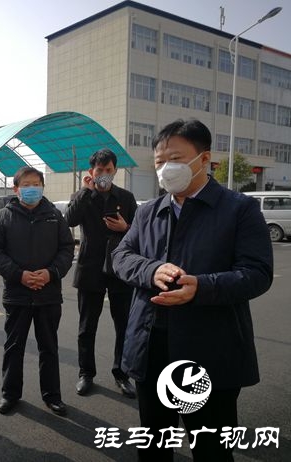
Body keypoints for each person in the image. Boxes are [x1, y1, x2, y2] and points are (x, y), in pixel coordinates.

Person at [112, 119, 273, 461]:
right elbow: (121, 257)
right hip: (151, 346)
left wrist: (201, 286)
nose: (165, 168)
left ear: (205, 159)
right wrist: (151, 270)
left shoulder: (238, 209)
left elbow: (257, 273)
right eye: (159, 162)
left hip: (210, 350)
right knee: (154, 444)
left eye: (175, 158)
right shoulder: (148, 211)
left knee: (211, 448)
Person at [0, 167, 74, 416]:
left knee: (49, 347)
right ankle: (10, 394)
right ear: (16, 188)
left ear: (43, 187)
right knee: (14, 346)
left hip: (48, 294)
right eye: (26, 184)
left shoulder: (55, 215)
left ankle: (52, 396)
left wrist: (51, 273)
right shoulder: (4, 216)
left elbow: (67, 249)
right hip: (17, 294)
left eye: (36, 184)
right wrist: (19, 275)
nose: (32, 188)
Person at [64, 148, 137, 398]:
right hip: (90, 268)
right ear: (91, 172)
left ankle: (122, 374)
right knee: (87, 327)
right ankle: (86, 373)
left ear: (115, 171)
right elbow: (69, 220)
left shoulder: (126, 198)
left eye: (108, 170)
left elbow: (140, 233)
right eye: (99, 170)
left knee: (124, 325)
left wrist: (125, 227)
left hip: (120, 269)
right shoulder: (82, 196)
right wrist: (86, 191)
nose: (104, 174)